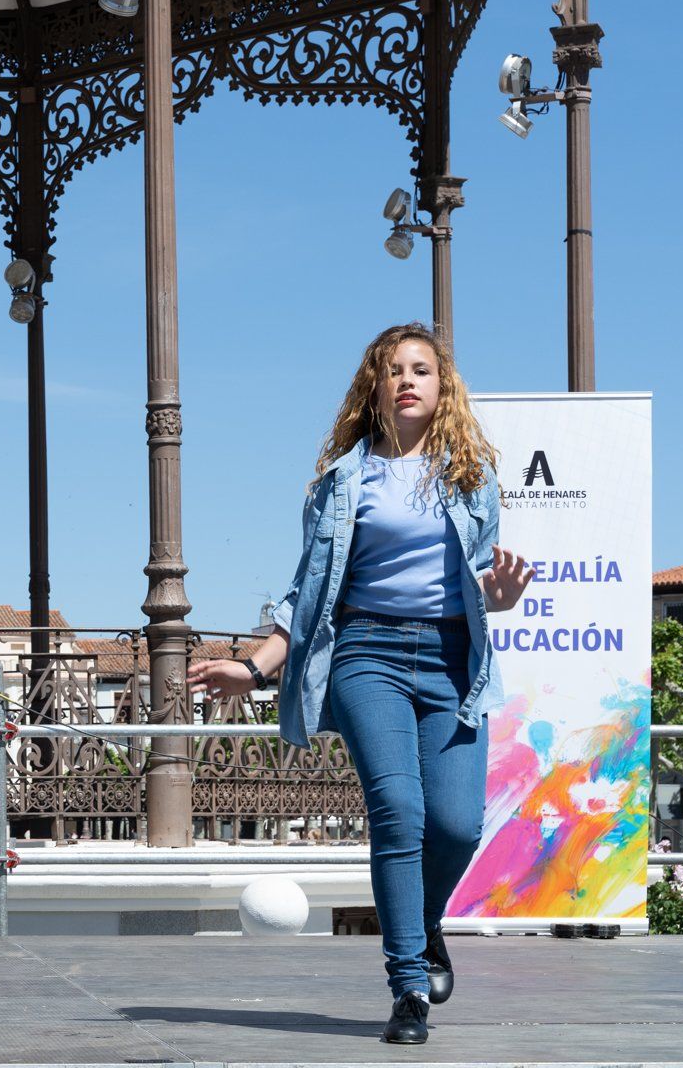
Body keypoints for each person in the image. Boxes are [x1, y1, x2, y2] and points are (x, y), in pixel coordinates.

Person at [189, 322, 531, 1046]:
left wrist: (497, 598)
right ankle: (409, 986)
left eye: (421, 369)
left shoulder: (471, 476)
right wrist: (254, 667)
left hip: (453, 659)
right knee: (398, 811)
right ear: (374, 388)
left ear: (443, 388)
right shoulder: (344, 480)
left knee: (457, 825)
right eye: (393, 370)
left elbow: (480, 579)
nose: (407, 380)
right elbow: (308, 592)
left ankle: (425, 923)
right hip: (366, 652)